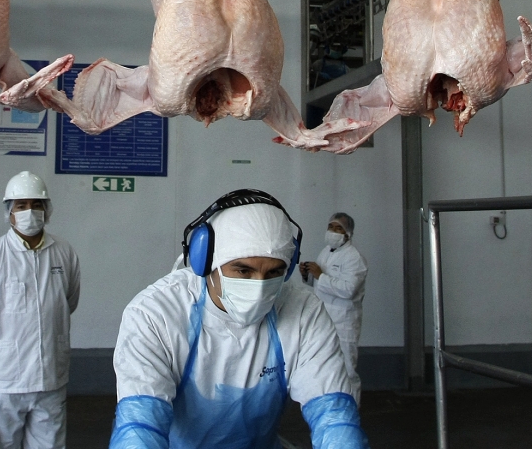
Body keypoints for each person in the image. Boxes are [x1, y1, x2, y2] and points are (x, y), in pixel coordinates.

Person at [110, 189, 369, 449]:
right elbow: (140, 424)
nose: (259, 287)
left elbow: (333, 415)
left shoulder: (304, 312)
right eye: (243, 271)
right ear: (206, 261)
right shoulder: (156, 314)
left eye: (274, 273)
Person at [0, 171, 81, 449]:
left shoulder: (64, 253)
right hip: (5, 378)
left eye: (36, 204)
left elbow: (67, 302)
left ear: (47, 210)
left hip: (50, 376)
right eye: (21, 206)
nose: (29, 212)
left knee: (50, 445)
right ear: (9, 212)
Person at [300, 212, 368, 406]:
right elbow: (319, 284)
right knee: (325, 366)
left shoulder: (354, 258)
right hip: (324, 319)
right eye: (331, 227)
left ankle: (350, 410)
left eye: (338, 228)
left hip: (344, 322)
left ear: (348, 234)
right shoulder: (326, 252)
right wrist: (307, 275)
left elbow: (348, 290)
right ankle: (331, 407)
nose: (333, 231)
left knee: (346, 368)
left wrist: (320, 275)